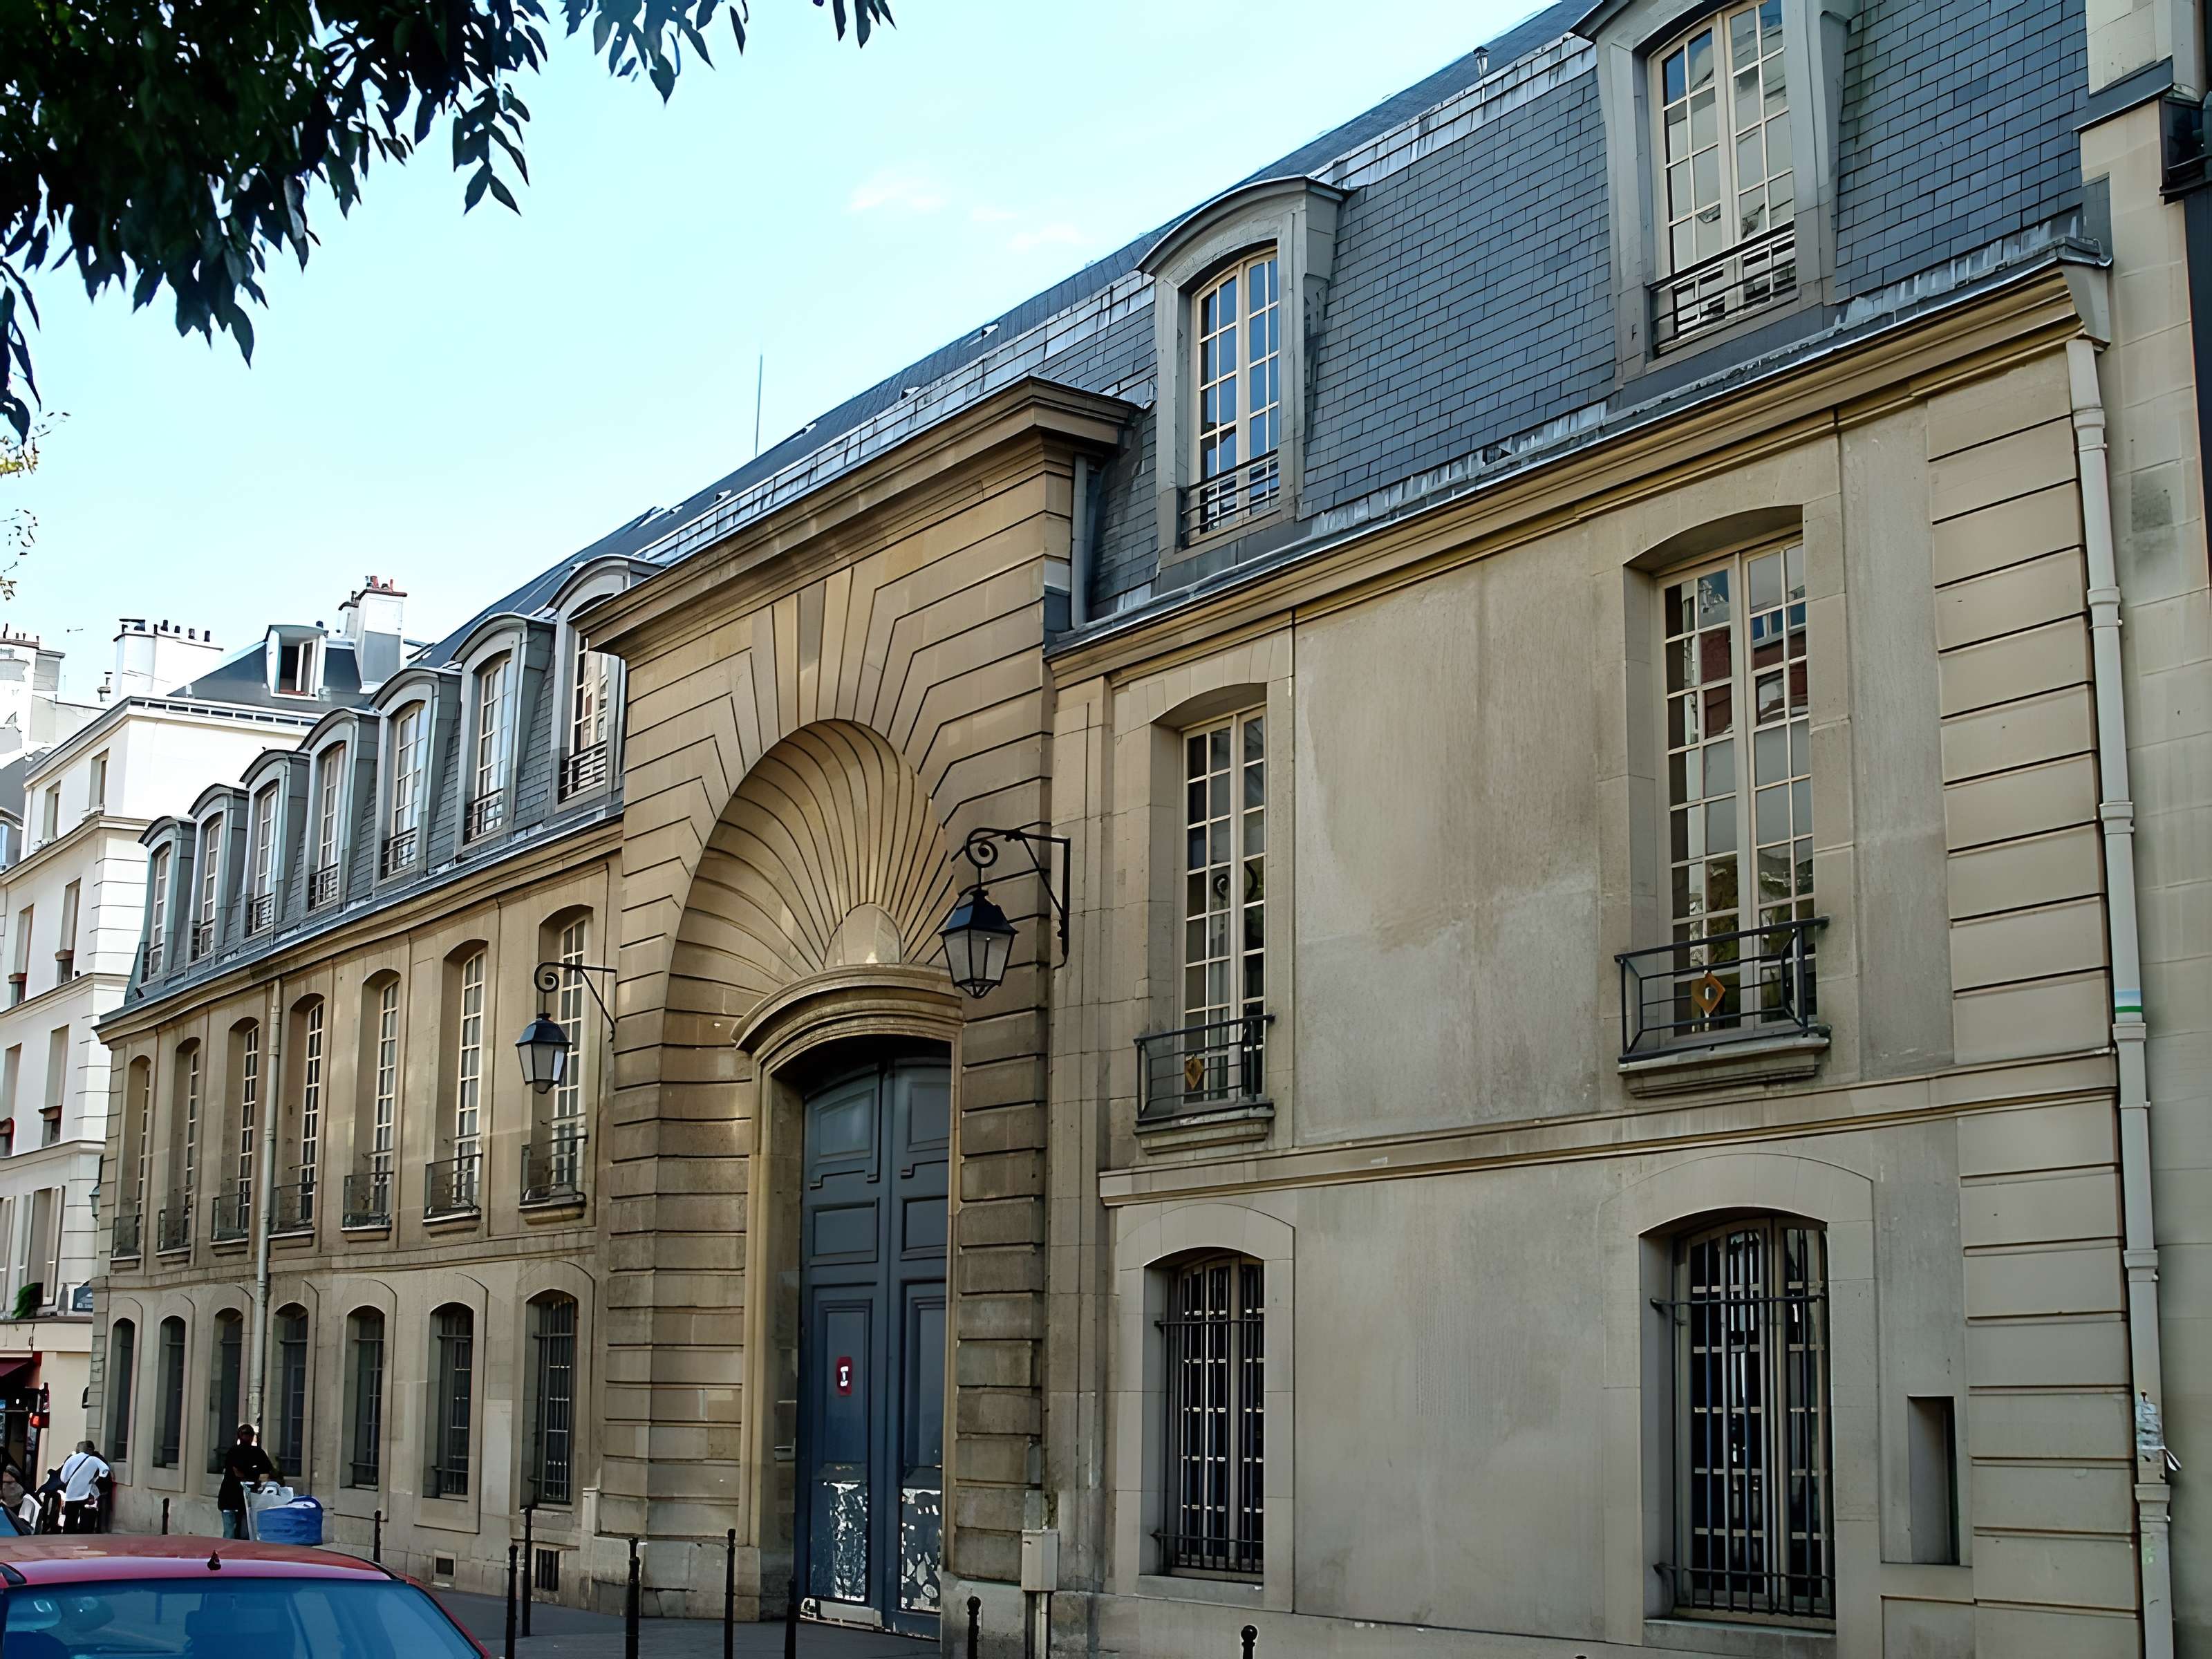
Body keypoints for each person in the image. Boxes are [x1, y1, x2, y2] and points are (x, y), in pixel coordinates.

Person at [216, 1425, 276, 1539]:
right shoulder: (234, 1452)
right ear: (240, 1435)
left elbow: (269, 1471)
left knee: (245, 1535)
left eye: (250, 1434)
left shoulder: (257, 1452)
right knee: (230, 1533)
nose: (247, 1437)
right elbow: (237, 1473)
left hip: (247, 1501)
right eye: (245, 1434)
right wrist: (253, 1476)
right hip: (230, 1498)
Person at [57, 1441, 108, 1533]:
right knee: (87, 1521)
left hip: (71, 1495)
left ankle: (68, 1538)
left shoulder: (71, 1459)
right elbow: (105, 1471)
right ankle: (85, 1537)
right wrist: (96, 1480)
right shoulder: (95, 1459)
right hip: (88, 1493)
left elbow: (63, 1478)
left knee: (70, 1520)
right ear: (89, 1449)